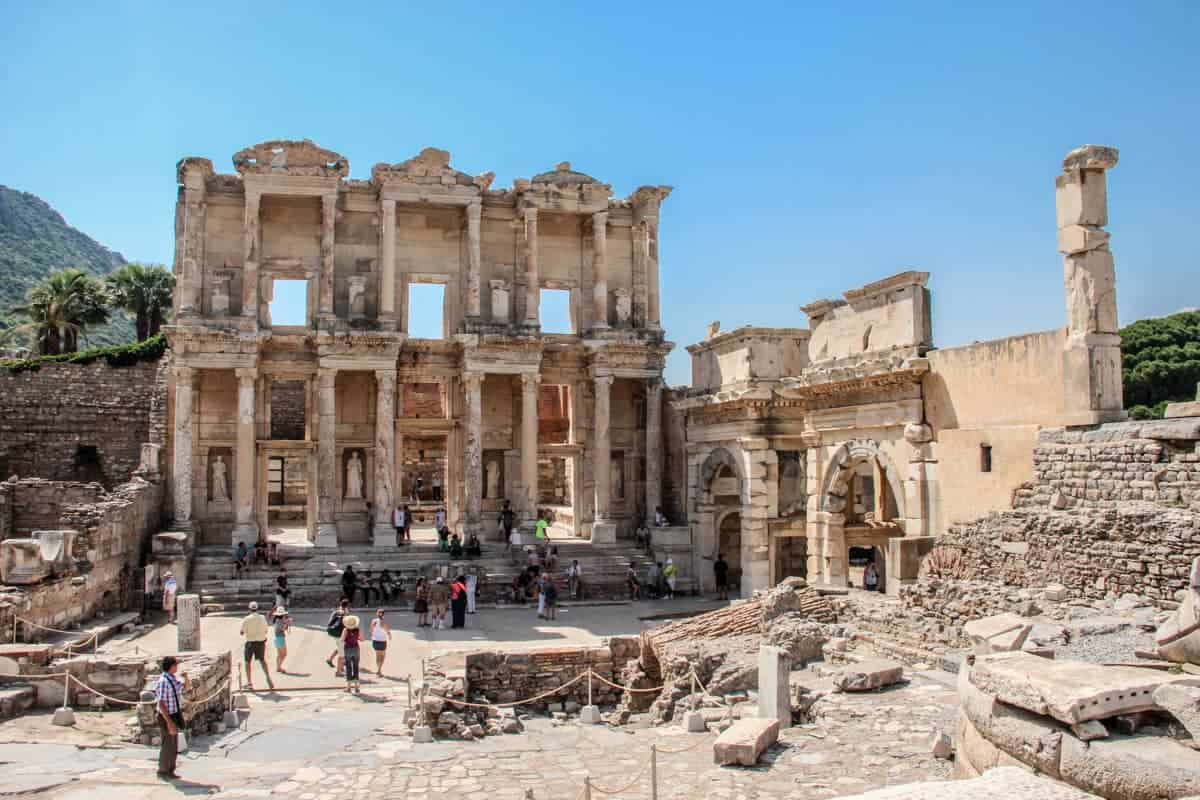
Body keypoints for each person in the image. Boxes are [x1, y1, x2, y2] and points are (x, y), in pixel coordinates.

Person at [153, 656, 190, 780]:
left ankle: (171, 769)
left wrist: (186, 678)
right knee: (168, 744)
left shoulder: (173, 679)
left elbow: (186, 688)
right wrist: (169, 722)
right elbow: (161, 703)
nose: (177, 667)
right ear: (171, 666)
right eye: (176, 665)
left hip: (174, 714)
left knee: (173, 744)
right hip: (166, 716)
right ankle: (163, 770)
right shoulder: (163, 681)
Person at [240, 601, 275, 691]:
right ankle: (268, 676)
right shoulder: (262, 618)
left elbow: (242, 632)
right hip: (261, 642)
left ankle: (249, 682)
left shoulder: (246, 619)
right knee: (262, 660)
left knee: (247, 662)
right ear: (257, 609)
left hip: (250, 642)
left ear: (249, 609)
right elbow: (266, 630)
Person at [325, 599, 349, 675]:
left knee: (340, 647)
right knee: (342, 653)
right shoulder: (345, 613)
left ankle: (330, 659)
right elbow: (346, 624)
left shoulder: (335, 611)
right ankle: (339, 670)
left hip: (333, 632)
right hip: (340, 634)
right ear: (347, 606)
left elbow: (330, 621)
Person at [341, 614, 363, 694]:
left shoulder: (345, 630)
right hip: (356, 648)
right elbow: (362, 638)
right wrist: (356, 638)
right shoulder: (358, 630)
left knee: (348, 667)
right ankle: (357, 687)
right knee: (356, 666)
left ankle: (349, 687)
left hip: (348, 649)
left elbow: (342, 640)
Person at [369, 609, 392, 676]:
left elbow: (371, 630)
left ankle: (378, 669)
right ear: (383, 614)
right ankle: (379, 670)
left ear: (377, 614)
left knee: (377, 655)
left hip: (375, 641)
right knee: (383, 656)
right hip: (382, 641)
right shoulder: (382, 622)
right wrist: (389, 635)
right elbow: (387, 630)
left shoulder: (373, 621)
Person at [270, 606, 291, 673]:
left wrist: (286, 622)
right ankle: (279, 667)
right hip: (280, 638)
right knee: (284, 654)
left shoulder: (277, 620)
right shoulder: (280, 621)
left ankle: (278, 667)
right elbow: (283, 629)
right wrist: (287, 623)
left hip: (277, 638)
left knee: (279, 654)